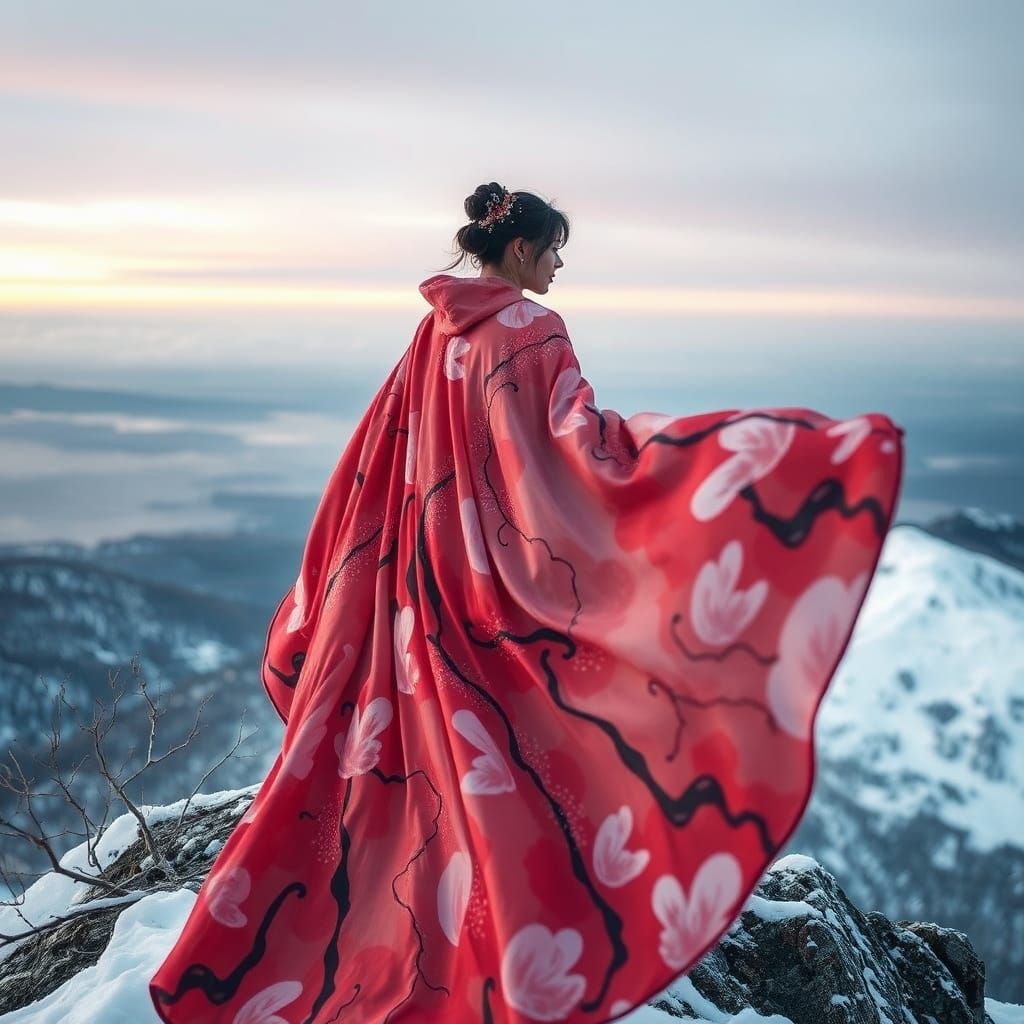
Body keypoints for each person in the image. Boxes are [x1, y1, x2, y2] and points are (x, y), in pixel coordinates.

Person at [150, 182, 905, 1023]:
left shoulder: (434, 328)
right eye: (552, 252)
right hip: (491, 578)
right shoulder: (530, 328)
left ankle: (395, 931)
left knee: (433, 762)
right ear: (517, 251)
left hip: (419, 579)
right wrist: (703, 460)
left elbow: (381, 451)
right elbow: (570, 452)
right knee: (522, 750)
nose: (556, 268)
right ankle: (499, 933)